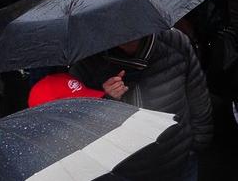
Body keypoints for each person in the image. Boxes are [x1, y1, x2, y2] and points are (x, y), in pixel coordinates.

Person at [71, 28, 213, 180]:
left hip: (181, 160)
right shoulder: (86, 63)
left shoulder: (174, 41)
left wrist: (197, 142)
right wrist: (107, 99)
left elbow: (197, 94)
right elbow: (80, 126)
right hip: (127, 171)